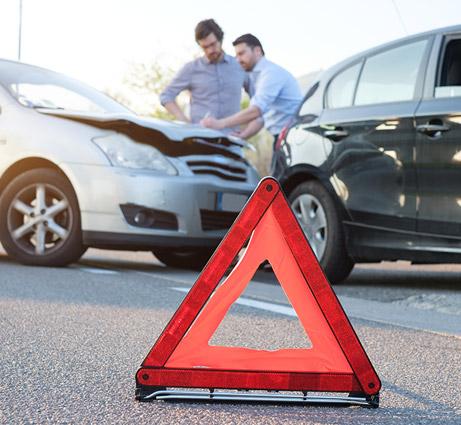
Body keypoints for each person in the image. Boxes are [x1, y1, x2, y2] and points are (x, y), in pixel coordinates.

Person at [201, 33, 302, 145]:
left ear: (257, 51)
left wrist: (220, 123)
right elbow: (262, 117)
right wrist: (244, 135)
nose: (238, 60)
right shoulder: (260, 77)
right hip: (284, 137)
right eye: (236, 56)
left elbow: (256, 110)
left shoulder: (270, 74)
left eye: (241, 53)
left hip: (293, 137)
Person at [160, 19, 246, 132]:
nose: (210, 50)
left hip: (232, 141)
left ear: (220, 40)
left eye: (213, 44)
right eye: (205, 47)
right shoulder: (191, 69)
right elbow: (166, 95)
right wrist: (185, 123)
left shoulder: (239, 66)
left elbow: (257, 101)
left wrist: (246, 132)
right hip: (201, 139)